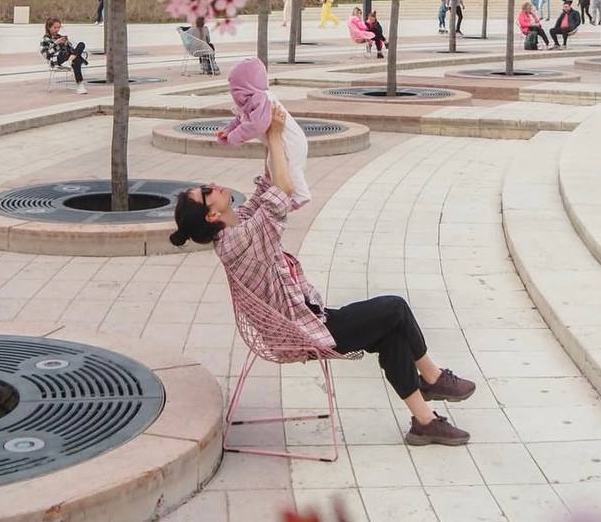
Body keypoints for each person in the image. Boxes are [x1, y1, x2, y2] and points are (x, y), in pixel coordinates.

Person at [170, 107, 476, 448]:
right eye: (205, 191)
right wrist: (272, 134)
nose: (211, 185)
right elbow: (282, 190)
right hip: (304, 332)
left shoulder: (237, 224)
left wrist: (265, 130)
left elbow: (268, 186)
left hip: (309, 319)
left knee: (392, 335)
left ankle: (425, 422)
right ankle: (432, 379)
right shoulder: (240, 241)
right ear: (212, 214)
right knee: (396, 308)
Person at [219, 58, 310, 207]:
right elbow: (241, 118)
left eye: (235, 89)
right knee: (273, 167)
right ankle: (277, 194)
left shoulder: (261, 99)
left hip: (291, 142)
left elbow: (257, 125)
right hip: (280, 141)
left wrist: (233, 137)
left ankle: (301, 196)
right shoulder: (252, 101)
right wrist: (228, 131)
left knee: (291, 169)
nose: (233, 93)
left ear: (246, 87)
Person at [40, 18, 89, 93]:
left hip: (68, 57)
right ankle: (80, 85)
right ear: (49, 27)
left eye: (59, 27)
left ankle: (70, 61)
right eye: (55, 27)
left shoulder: (60, 36)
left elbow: (72, 50)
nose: (57, 29)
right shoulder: (45, 39)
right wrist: (55, 43)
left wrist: (66, 44)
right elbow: (46, 55)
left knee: (81, 45)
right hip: (57, 59)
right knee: (75, 59)